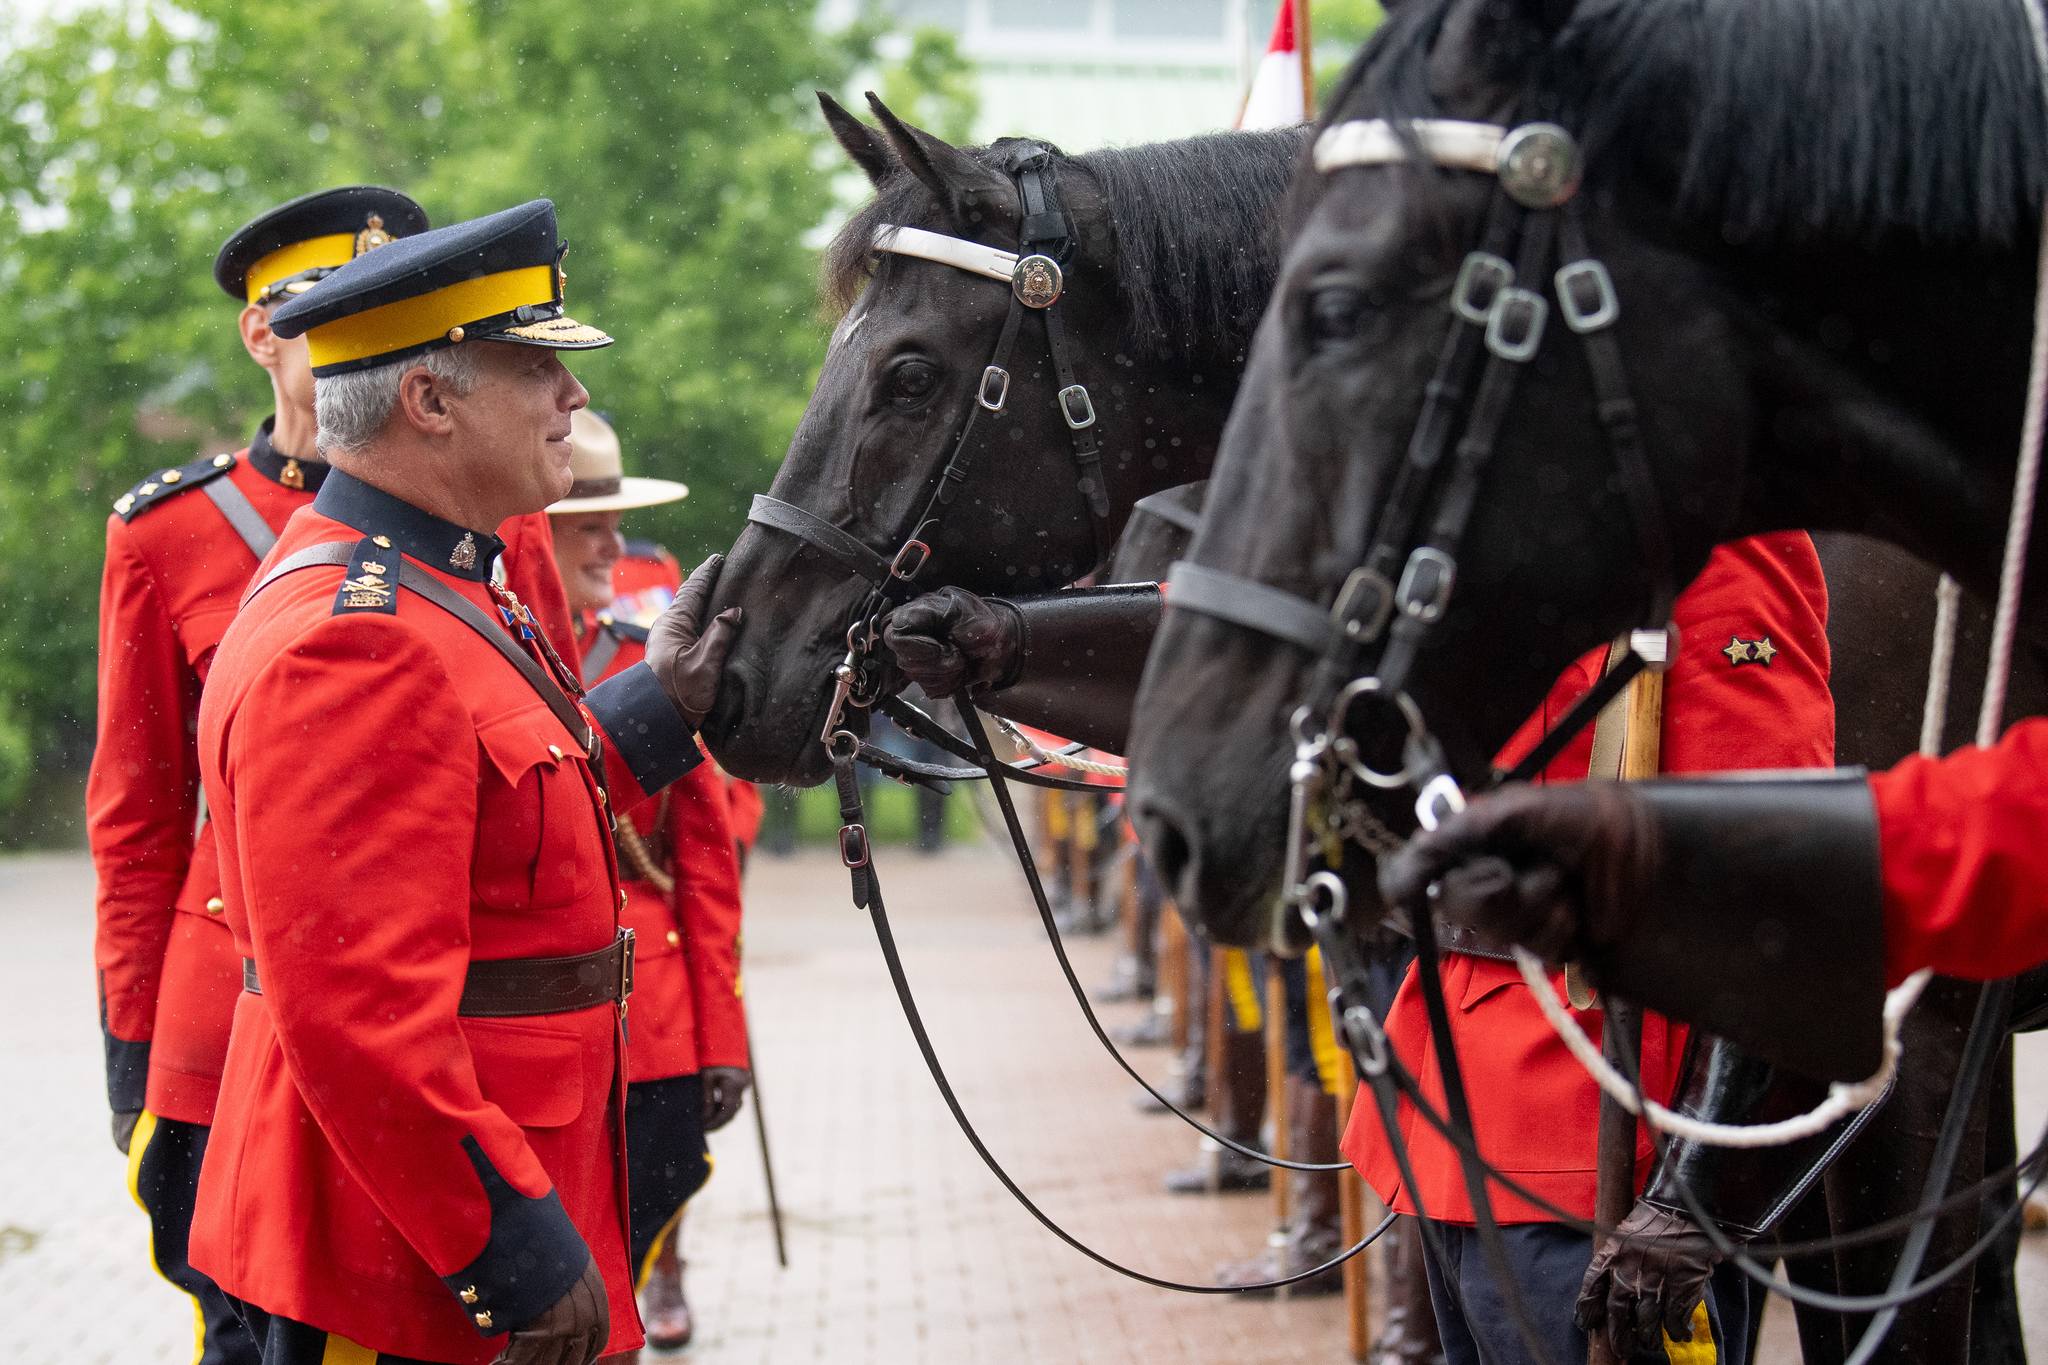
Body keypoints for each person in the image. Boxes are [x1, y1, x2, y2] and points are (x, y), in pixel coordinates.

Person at [881, 532, 1837, 1362]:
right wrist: (1010, 643)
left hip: (1607, 1142)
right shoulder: (1503, 526)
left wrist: (1692, 1193)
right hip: (1458, 1106)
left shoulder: (1718, 544)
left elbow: (1775, 887)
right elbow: (1272, 634)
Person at [188, 198, 737, 1365]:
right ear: (427, 402)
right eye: (537, 368)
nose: (573, 399)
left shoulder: (443, 584)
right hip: (410, 1247)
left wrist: (672, 697)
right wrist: (504, 1250)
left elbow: (508, 814)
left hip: (487, 1182)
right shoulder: (358, 634)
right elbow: (358, 1010)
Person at [89, 186, 434, 1365]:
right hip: (225, 1018)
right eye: (325, 311)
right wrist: (131, 1047)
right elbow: (135, 820)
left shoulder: (484, 510)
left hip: (430, 1010)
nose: (357, 337)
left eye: (390, 310)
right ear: (260, 334)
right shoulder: (166, 534)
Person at [548, 407, 750, 1355]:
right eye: (588, 522)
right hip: (540, 1026)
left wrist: (724, 1036)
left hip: (658, 1015)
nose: (614, 542)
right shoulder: (485, 645)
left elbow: (706, 864)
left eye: (616, 519)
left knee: (623, 1265)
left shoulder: (644, 660)